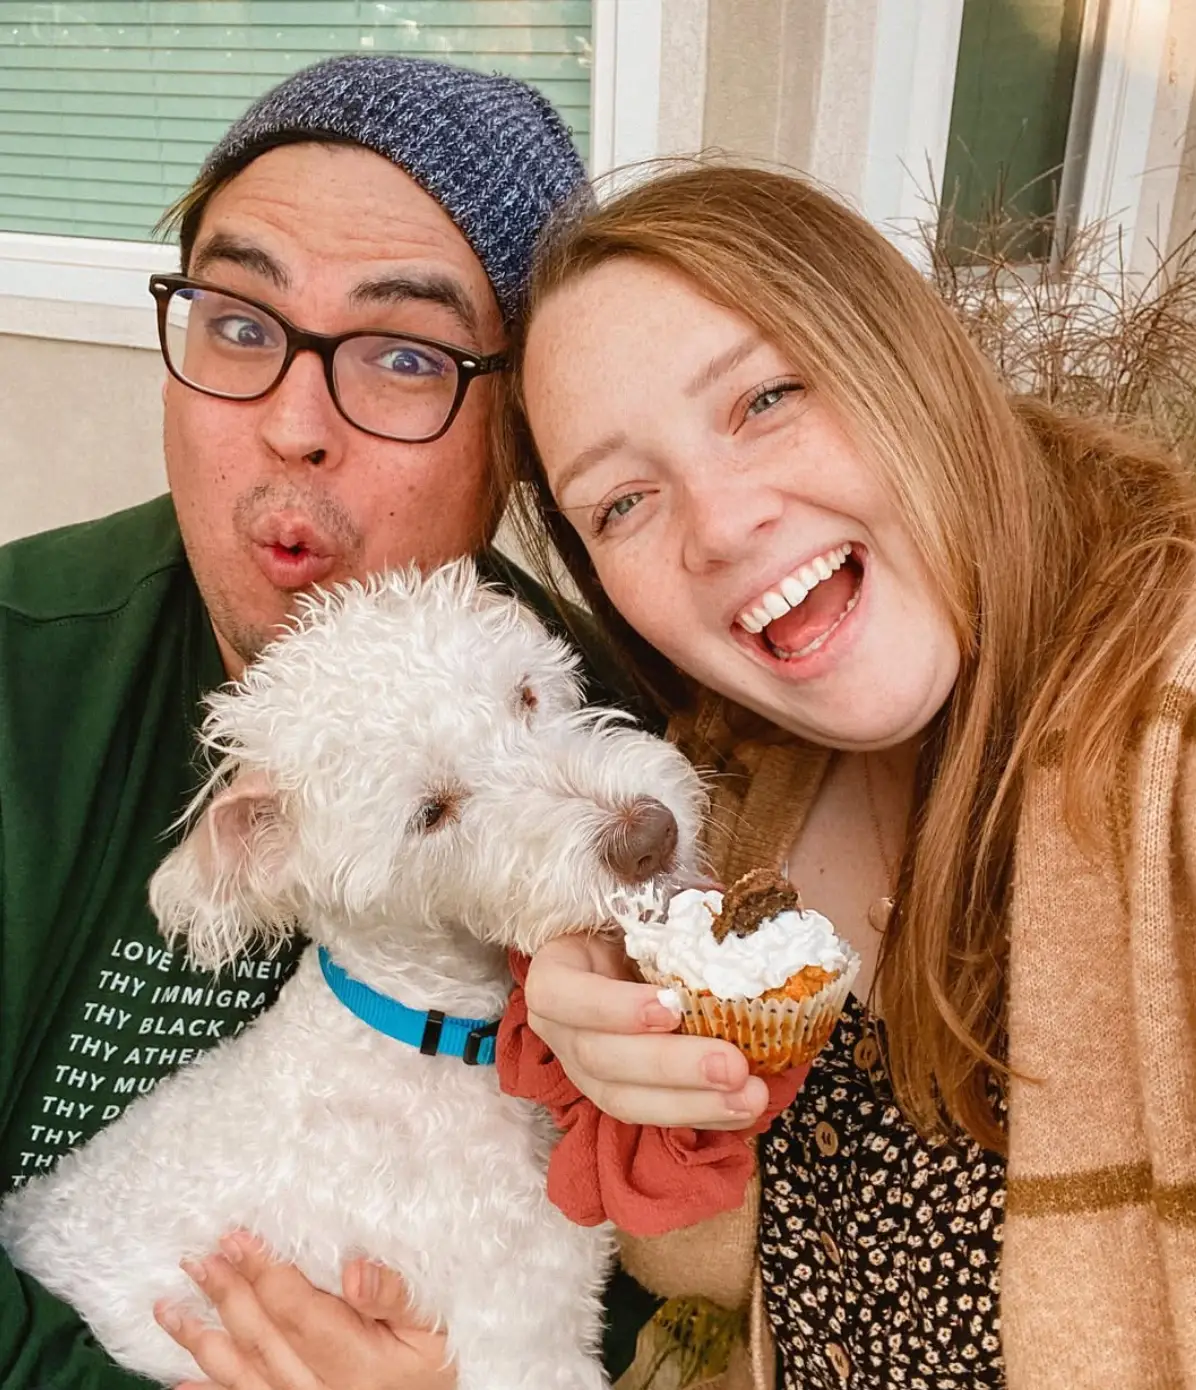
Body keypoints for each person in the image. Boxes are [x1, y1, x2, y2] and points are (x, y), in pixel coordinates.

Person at [496, 164, 1196, 1389]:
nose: (719, 525)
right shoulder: (736, 787)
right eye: (621, 502)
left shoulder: (1164, 734)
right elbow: (715, 1274)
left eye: (764, 397)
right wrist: (603, 999)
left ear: (905, 360)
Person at [0, 53, 598, 1390]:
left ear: (519, 434)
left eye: (405, 355)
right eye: (239, 323)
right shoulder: (20, 681)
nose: (291, 424)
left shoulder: (576, 726)